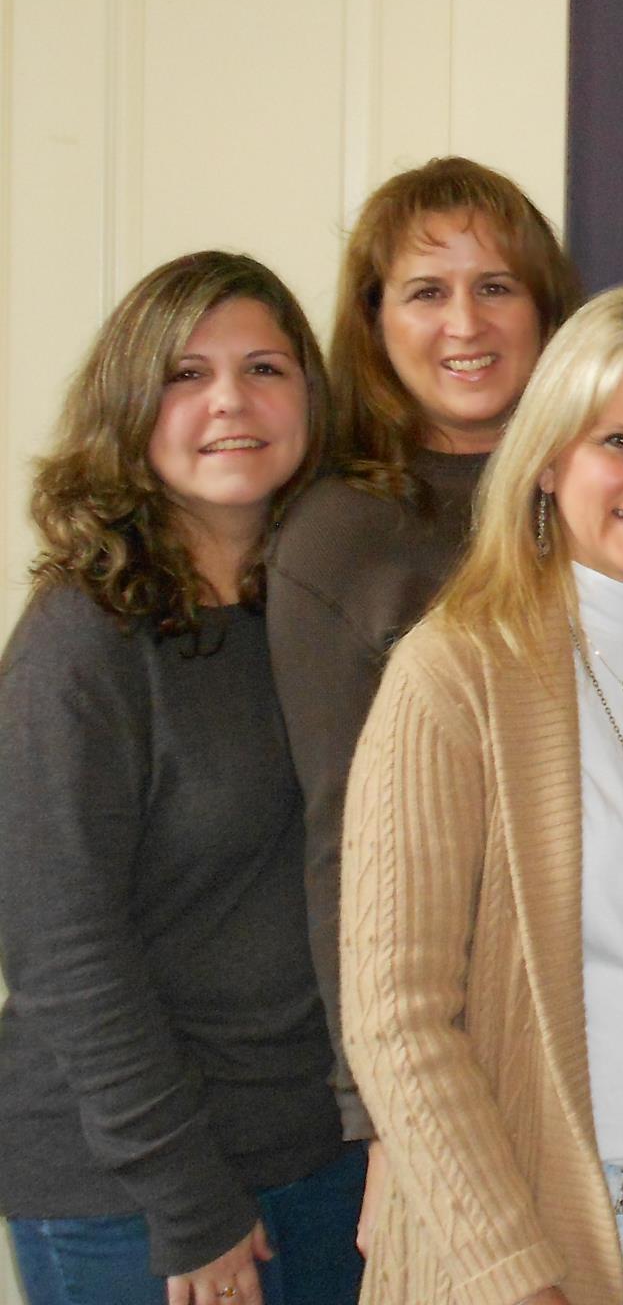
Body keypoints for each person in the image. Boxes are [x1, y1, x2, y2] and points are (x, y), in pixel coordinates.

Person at [339, 287, 623, 1305]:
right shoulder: (451, 675)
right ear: (548, 459)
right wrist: (515, 1278)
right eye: (621, 441)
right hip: (538, 1235)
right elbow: (397, 1019)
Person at [0, 252, 359, 1305]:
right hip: (131, 1186)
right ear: (129, 407)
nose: (230, 402)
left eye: (264, 369)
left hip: (313, 1156)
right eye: (185, 375)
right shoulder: (82, 639)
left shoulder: (318, 612)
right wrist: (186, 1197)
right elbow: (63, 951)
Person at [266, 156, 582, 1236]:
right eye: (425, 292)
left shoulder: (613, 493)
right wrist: (380, 1117)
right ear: (374, 323)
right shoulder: (338, 538)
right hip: (453, 1044)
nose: (465, 324)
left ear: (546, 310)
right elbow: (340, 842)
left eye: (496, 286)